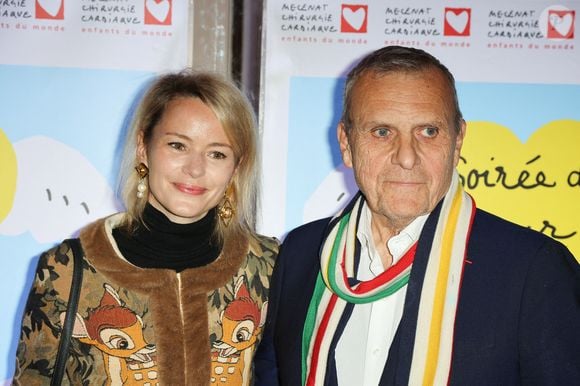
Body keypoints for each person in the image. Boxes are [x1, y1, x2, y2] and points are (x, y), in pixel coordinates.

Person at [254, 46, 580, 385]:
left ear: (457, 143)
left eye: (428, 131)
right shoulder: (302, 254)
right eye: (382, 132)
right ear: (347, 145)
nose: (406, 157)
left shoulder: (533, 269)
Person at [13, 70, 278, 385]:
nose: (195, 168)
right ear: (143, 146)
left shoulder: (269, 268)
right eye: (178, 145)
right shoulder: (67, 270)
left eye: (217, 153)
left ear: (236, 167)